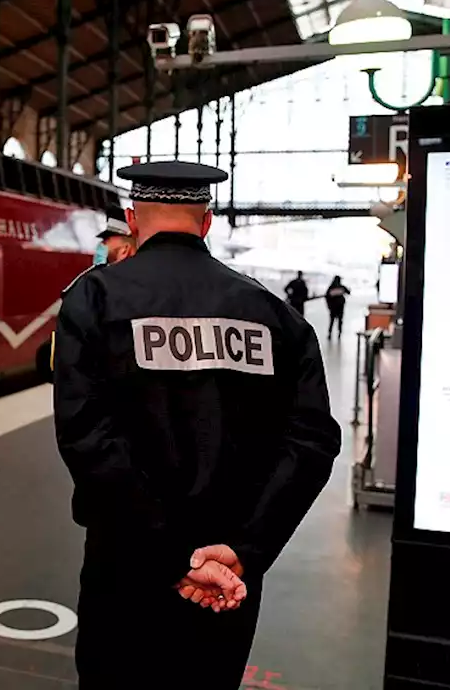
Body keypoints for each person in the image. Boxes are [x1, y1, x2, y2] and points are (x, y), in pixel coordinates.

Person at [52, 161, 342, 687]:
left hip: (125, 567)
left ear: (132, 218)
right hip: (225, 574)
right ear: (207, 222)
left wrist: (172, 556)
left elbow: (87, 438)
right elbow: (312, 442)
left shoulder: (95, 299)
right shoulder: (273, 315)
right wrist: (247, 549)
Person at [36, 214, 136, 382]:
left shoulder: (94, 287)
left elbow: (67, 356)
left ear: (125, 249)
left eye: (107, 241)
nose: (101, 246)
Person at [324, 275, 351, 340]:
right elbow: (348, 292)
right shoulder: (341, 287)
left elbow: (326, 296)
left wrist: (329, 306)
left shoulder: (331, 287)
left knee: (331, 321)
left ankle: (330, 333)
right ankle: (339, 333)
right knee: (340, 321)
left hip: (333, 308)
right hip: (340, 308)